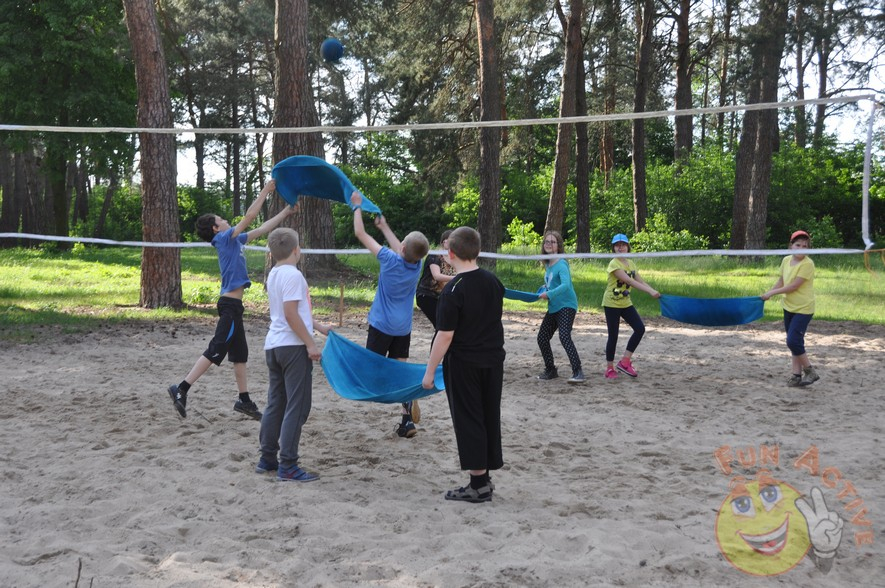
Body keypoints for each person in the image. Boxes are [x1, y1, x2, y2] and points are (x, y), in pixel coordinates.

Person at [167, 179, 295, 420]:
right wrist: (265, 191)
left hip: (235, 306)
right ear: (216, 228)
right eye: (222, 219)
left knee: (240, 355)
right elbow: (250, 216)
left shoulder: (234, 239)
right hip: (229, 306)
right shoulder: (224, 238)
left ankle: (244, 400)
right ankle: (181, 389)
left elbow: (262, 228)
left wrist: (286, 212)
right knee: (216, 349)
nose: (226, 220)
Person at [422, 227, 505, 503]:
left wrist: (429, 371)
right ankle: (485, 478)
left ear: (450, 253)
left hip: (465, 363)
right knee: (488, 415)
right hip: (492, 361)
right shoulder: (493, 282)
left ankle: (478, 484)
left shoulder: (453, 290)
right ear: (477, 251)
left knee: (469, 418)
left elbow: (444, 335)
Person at [351, 191, 430, 438]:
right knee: (400, 372)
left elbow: (360, 234)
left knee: (371, 371)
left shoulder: (388, 259)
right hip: (403, 328)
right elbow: (405, 249)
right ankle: (407, 420)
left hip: (381, 326)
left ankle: (391, 396)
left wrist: (356, 207)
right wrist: (384, 227)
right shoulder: (417, 265)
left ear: (402, 247)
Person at [255, 227, 331, 481]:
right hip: (292, 346)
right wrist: (310, 344)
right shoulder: (294, 275)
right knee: (298, 406)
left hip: (274, 345)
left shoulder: (274, 273)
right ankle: (287, 464)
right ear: (297, 250)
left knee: (276, 402)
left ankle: (267, 457)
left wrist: (319, 327)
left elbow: (294, 311)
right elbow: (290, 314)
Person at [761, 230, 820, 387]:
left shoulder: (807, 264)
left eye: (805, 246)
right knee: (795, 342)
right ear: (791, 246)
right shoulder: (786, 260)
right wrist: (768, 293)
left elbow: (793, 286)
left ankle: (810, 371)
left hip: (803, 308)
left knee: (793, 341)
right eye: (798, 245)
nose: (801, 248)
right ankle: (796, 375)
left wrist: (772, 293)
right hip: (789, 307)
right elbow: (781, 281)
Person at [602, 233, 660, 380]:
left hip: (625, 302)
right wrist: (649, 291)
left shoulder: (631, 264)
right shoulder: (614, 264)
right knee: (613, 336)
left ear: (628, 247)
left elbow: (640, 281)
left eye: (623, 245)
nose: (620, 247)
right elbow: (630, 281)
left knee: (640, 329)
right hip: (611, 303)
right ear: (613, 248)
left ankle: (625, 361)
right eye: (617, 245)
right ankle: (609, 368)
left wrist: (653, 290)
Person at [536, 230, 584, 383]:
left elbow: (565, 285)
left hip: (567, 305)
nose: (549, 244)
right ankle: (551, 370)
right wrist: (544, 289)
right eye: (546, 242)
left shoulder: (561, 263)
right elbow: (552, 283)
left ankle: (578, 371)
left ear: (558, 245)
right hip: (554, 306)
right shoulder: (548, 264)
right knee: (542, 338)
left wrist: (549, 294)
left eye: (553, 242)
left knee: (564, 336)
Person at [415, 229, 456, 329]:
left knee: (445, 324)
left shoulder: (454, 258)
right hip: (427, 294)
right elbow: (436, 276)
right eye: (450, 240)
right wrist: (456, 278)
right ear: (443, 241)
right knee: (441, 325)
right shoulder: (435, 256)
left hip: (441, 297)